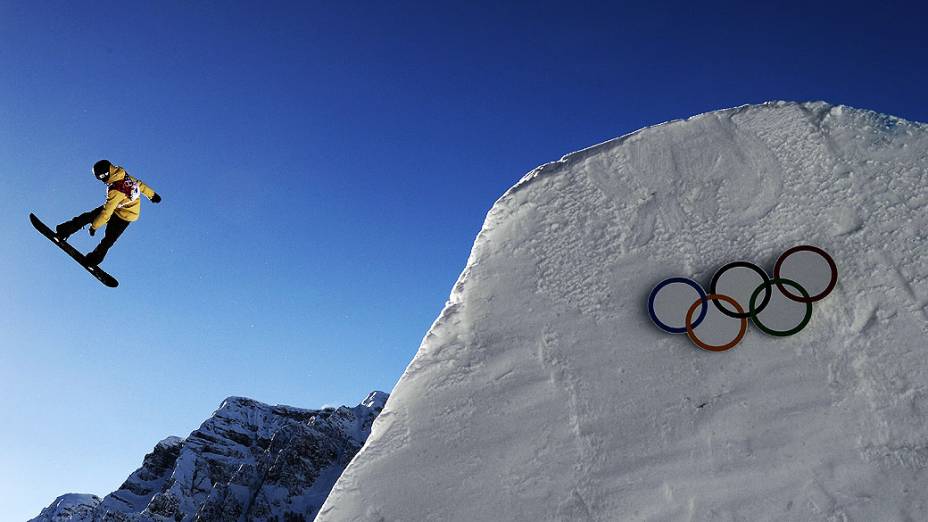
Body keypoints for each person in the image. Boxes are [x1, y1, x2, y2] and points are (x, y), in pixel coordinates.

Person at [56, 160, 161, 266]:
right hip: (122, 209)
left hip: (123, 217)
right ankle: (66, 230)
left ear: (106, 173)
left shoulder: (115, 190)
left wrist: (94, 227)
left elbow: (106, 213)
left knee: (108, 238)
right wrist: (152, 195)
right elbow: (140, 184)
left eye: (101, 177)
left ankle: (93, 258)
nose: (102, 181)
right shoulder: (122, 174)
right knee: (97, 225)